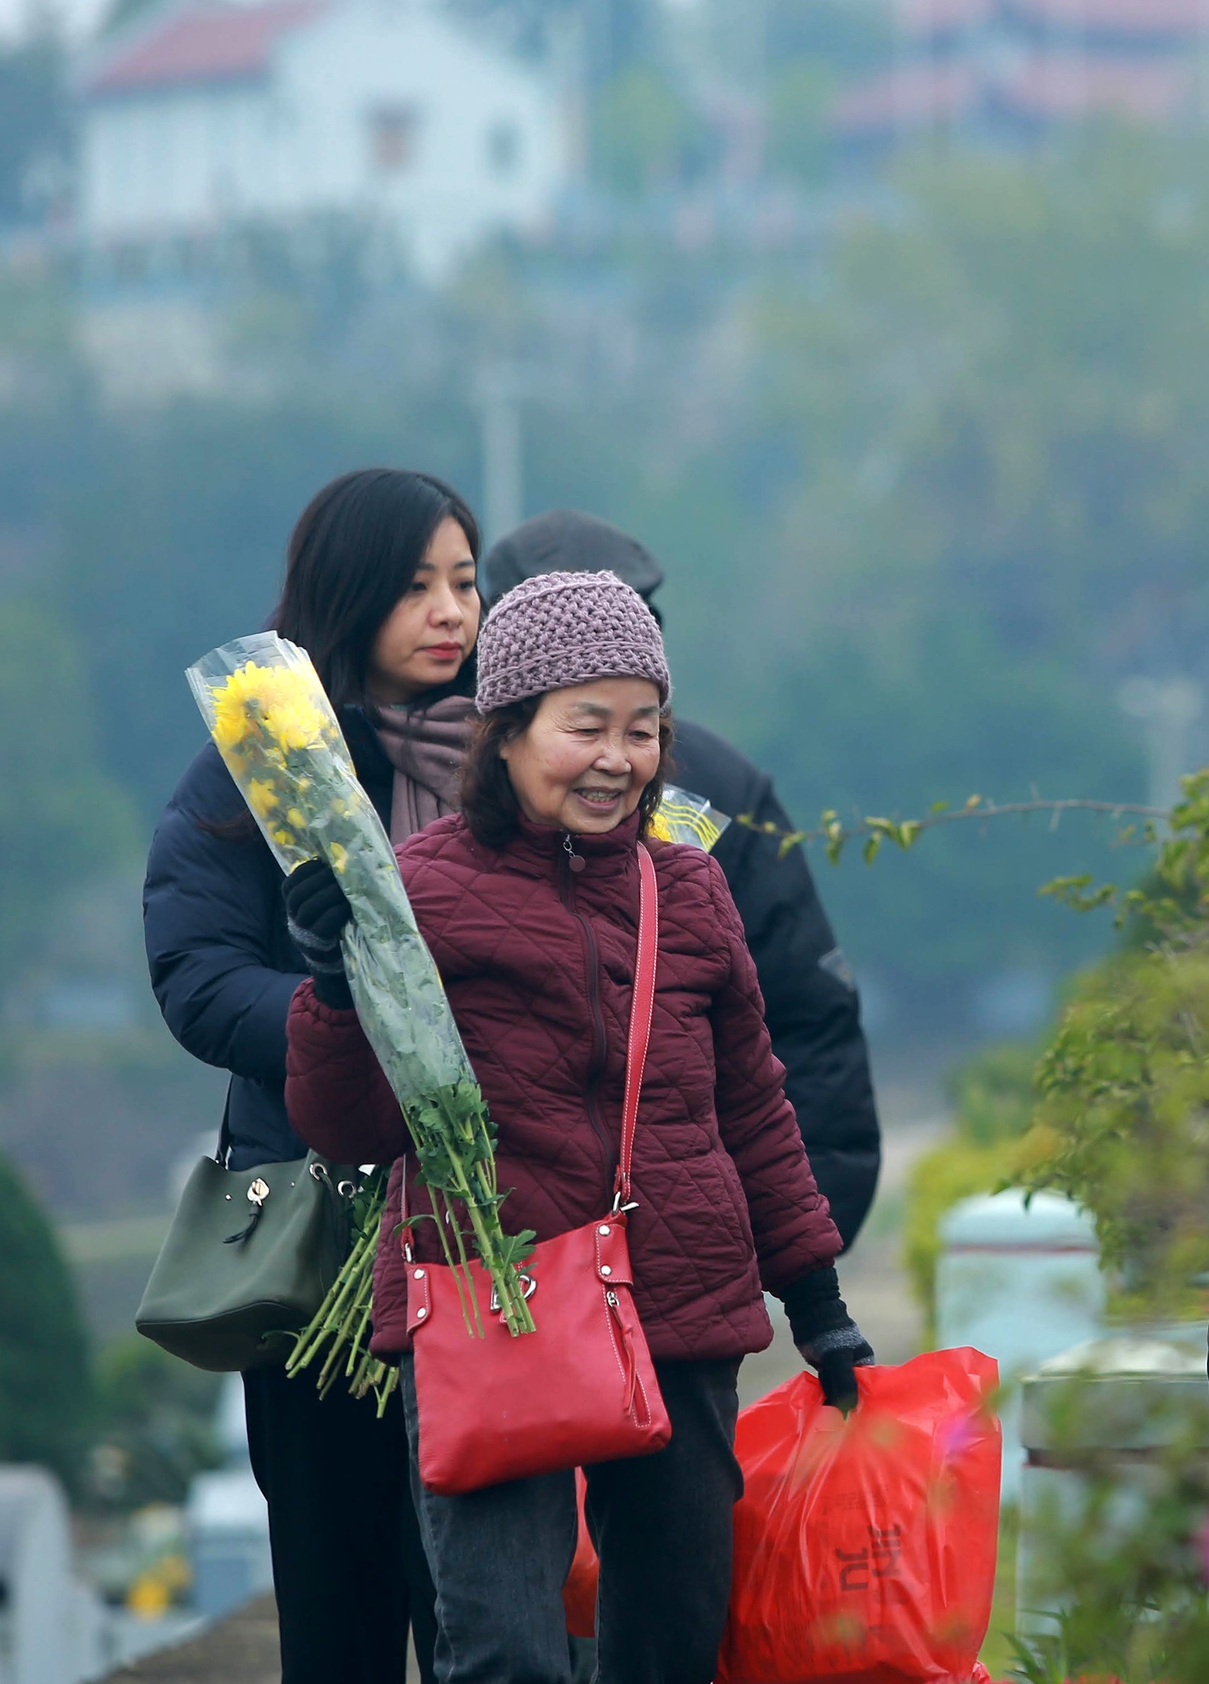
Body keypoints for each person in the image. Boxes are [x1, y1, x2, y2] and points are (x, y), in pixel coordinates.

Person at [281, 568, 871, 1684]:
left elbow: (751, 1104)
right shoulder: (419, 890)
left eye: (643, 729)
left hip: (682, 1300)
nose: (618, 758)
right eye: (585, 726)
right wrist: (332, 983)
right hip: (489, 1296)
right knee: (505, 1648)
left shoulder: (688, 890)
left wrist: (820, 1302)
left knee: (671, 1640)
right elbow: (349, 1123)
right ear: (504, 734)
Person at [143, 467, 483, 1682]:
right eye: (415, 586)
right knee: (336, 1595)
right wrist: (339, 1022)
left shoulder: (514, 760)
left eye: (464, 581)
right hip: (319, 1230)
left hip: (485, 1225)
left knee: (483, 1598)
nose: (451, 611)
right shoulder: (259, 764)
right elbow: (191, 969)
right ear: (346, 598)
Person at [480, 510, 883, 1246]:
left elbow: (802, 1018)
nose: (613, 763)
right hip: (487, 1263)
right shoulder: (431, 801)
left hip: (679, 1255)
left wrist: (794, 1248)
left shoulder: (722, 794)